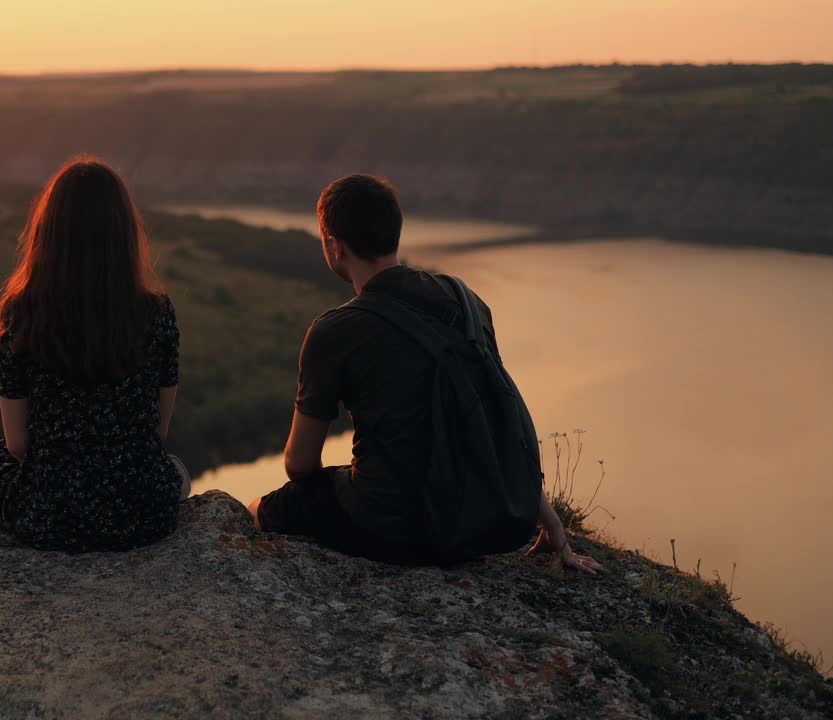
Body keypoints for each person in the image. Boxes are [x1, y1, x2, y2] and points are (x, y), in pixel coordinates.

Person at [247, 174, 603, 574]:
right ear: (394, 232)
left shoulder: (333, 332)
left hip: (394, 529)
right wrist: (552, 523)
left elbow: (300, 465)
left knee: (263, 509)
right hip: (482, 525)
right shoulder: (466, 301)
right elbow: (491, 419)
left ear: (335, 245)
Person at [0, 157, 190, 552]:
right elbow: (158, 431)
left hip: (52, 514)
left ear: (48, 232)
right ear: (123, 231)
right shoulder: (157, 312)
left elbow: (17, 445)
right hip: (143, 510)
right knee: (175, 472)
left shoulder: (22, 312)